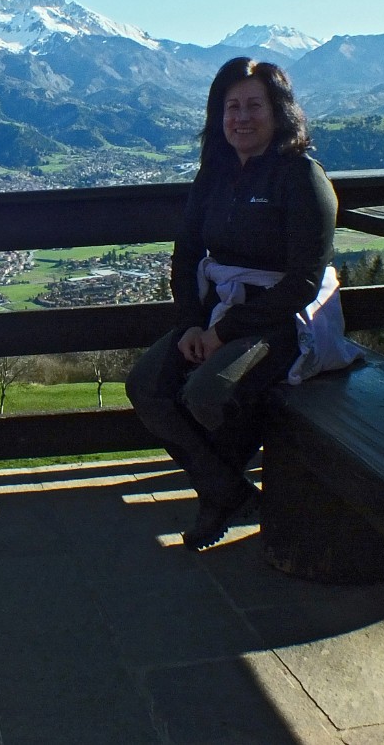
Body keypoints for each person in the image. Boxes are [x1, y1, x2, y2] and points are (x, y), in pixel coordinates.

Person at [126, 57, 357, 551]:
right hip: (218, 311)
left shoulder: (301, 176)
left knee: (208, 392)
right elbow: (187, 254)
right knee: (146, 384)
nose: (242, 117)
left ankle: (218, 497)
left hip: (281, 319)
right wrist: (192, 323)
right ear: (219, 116)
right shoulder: (214, 175)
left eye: (255, 105)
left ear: (279, 113)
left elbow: (302, 283)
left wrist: (222, 334)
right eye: (232, 106)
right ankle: (227, 490)